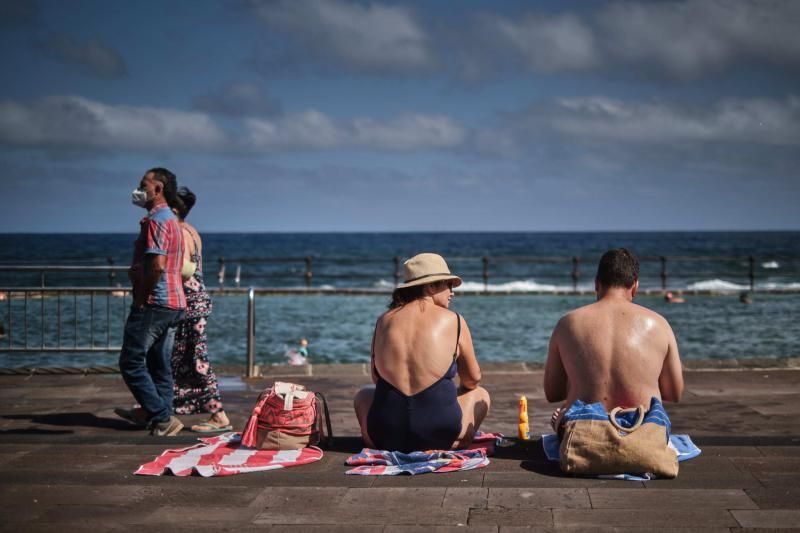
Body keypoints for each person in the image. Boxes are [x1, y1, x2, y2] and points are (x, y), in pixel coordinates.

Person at [354, 252, 490, 452]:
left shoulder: (383, 320)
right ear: (431, 286)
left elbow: (376, 379)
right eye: (448, 285)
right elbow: (472, 380)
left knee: (363, 395)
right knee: (480, 394)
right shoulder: (455, 320)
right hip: (442, 438)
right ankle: (452, 441)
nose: (452, 292)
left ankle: (377, 439)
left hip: (385, 437)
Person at [545, 248, 684, 433]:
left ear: (596, 284)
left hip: (585, 435)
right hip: (643, 437)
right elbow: (673, 393)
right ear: (635, 286)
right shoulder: (659, 324)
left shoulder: (567, 324)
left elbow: (553, 393)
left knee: (562, 415)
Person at [115, 168, 186, 436]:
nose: (138, 189)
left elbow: (156, 265)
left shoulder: (157, 221)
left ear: (157, 189)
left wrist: (142, 297)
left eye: (143, 184)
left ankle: (161, 416)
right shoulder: (174, 221)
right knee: (159, 364)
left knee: (131, 362)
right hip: (175, 302)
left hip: (156, 303)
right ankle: (161, 417)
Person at [169, 187, 231, 433]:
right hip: (197, 300)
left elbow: (183, 270)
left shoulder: (179, 233)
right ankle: (153, 407)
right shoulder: (192, 231)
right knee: (178, 359)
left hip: (189, 302)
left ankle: (219, 415)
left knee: (196, 359)